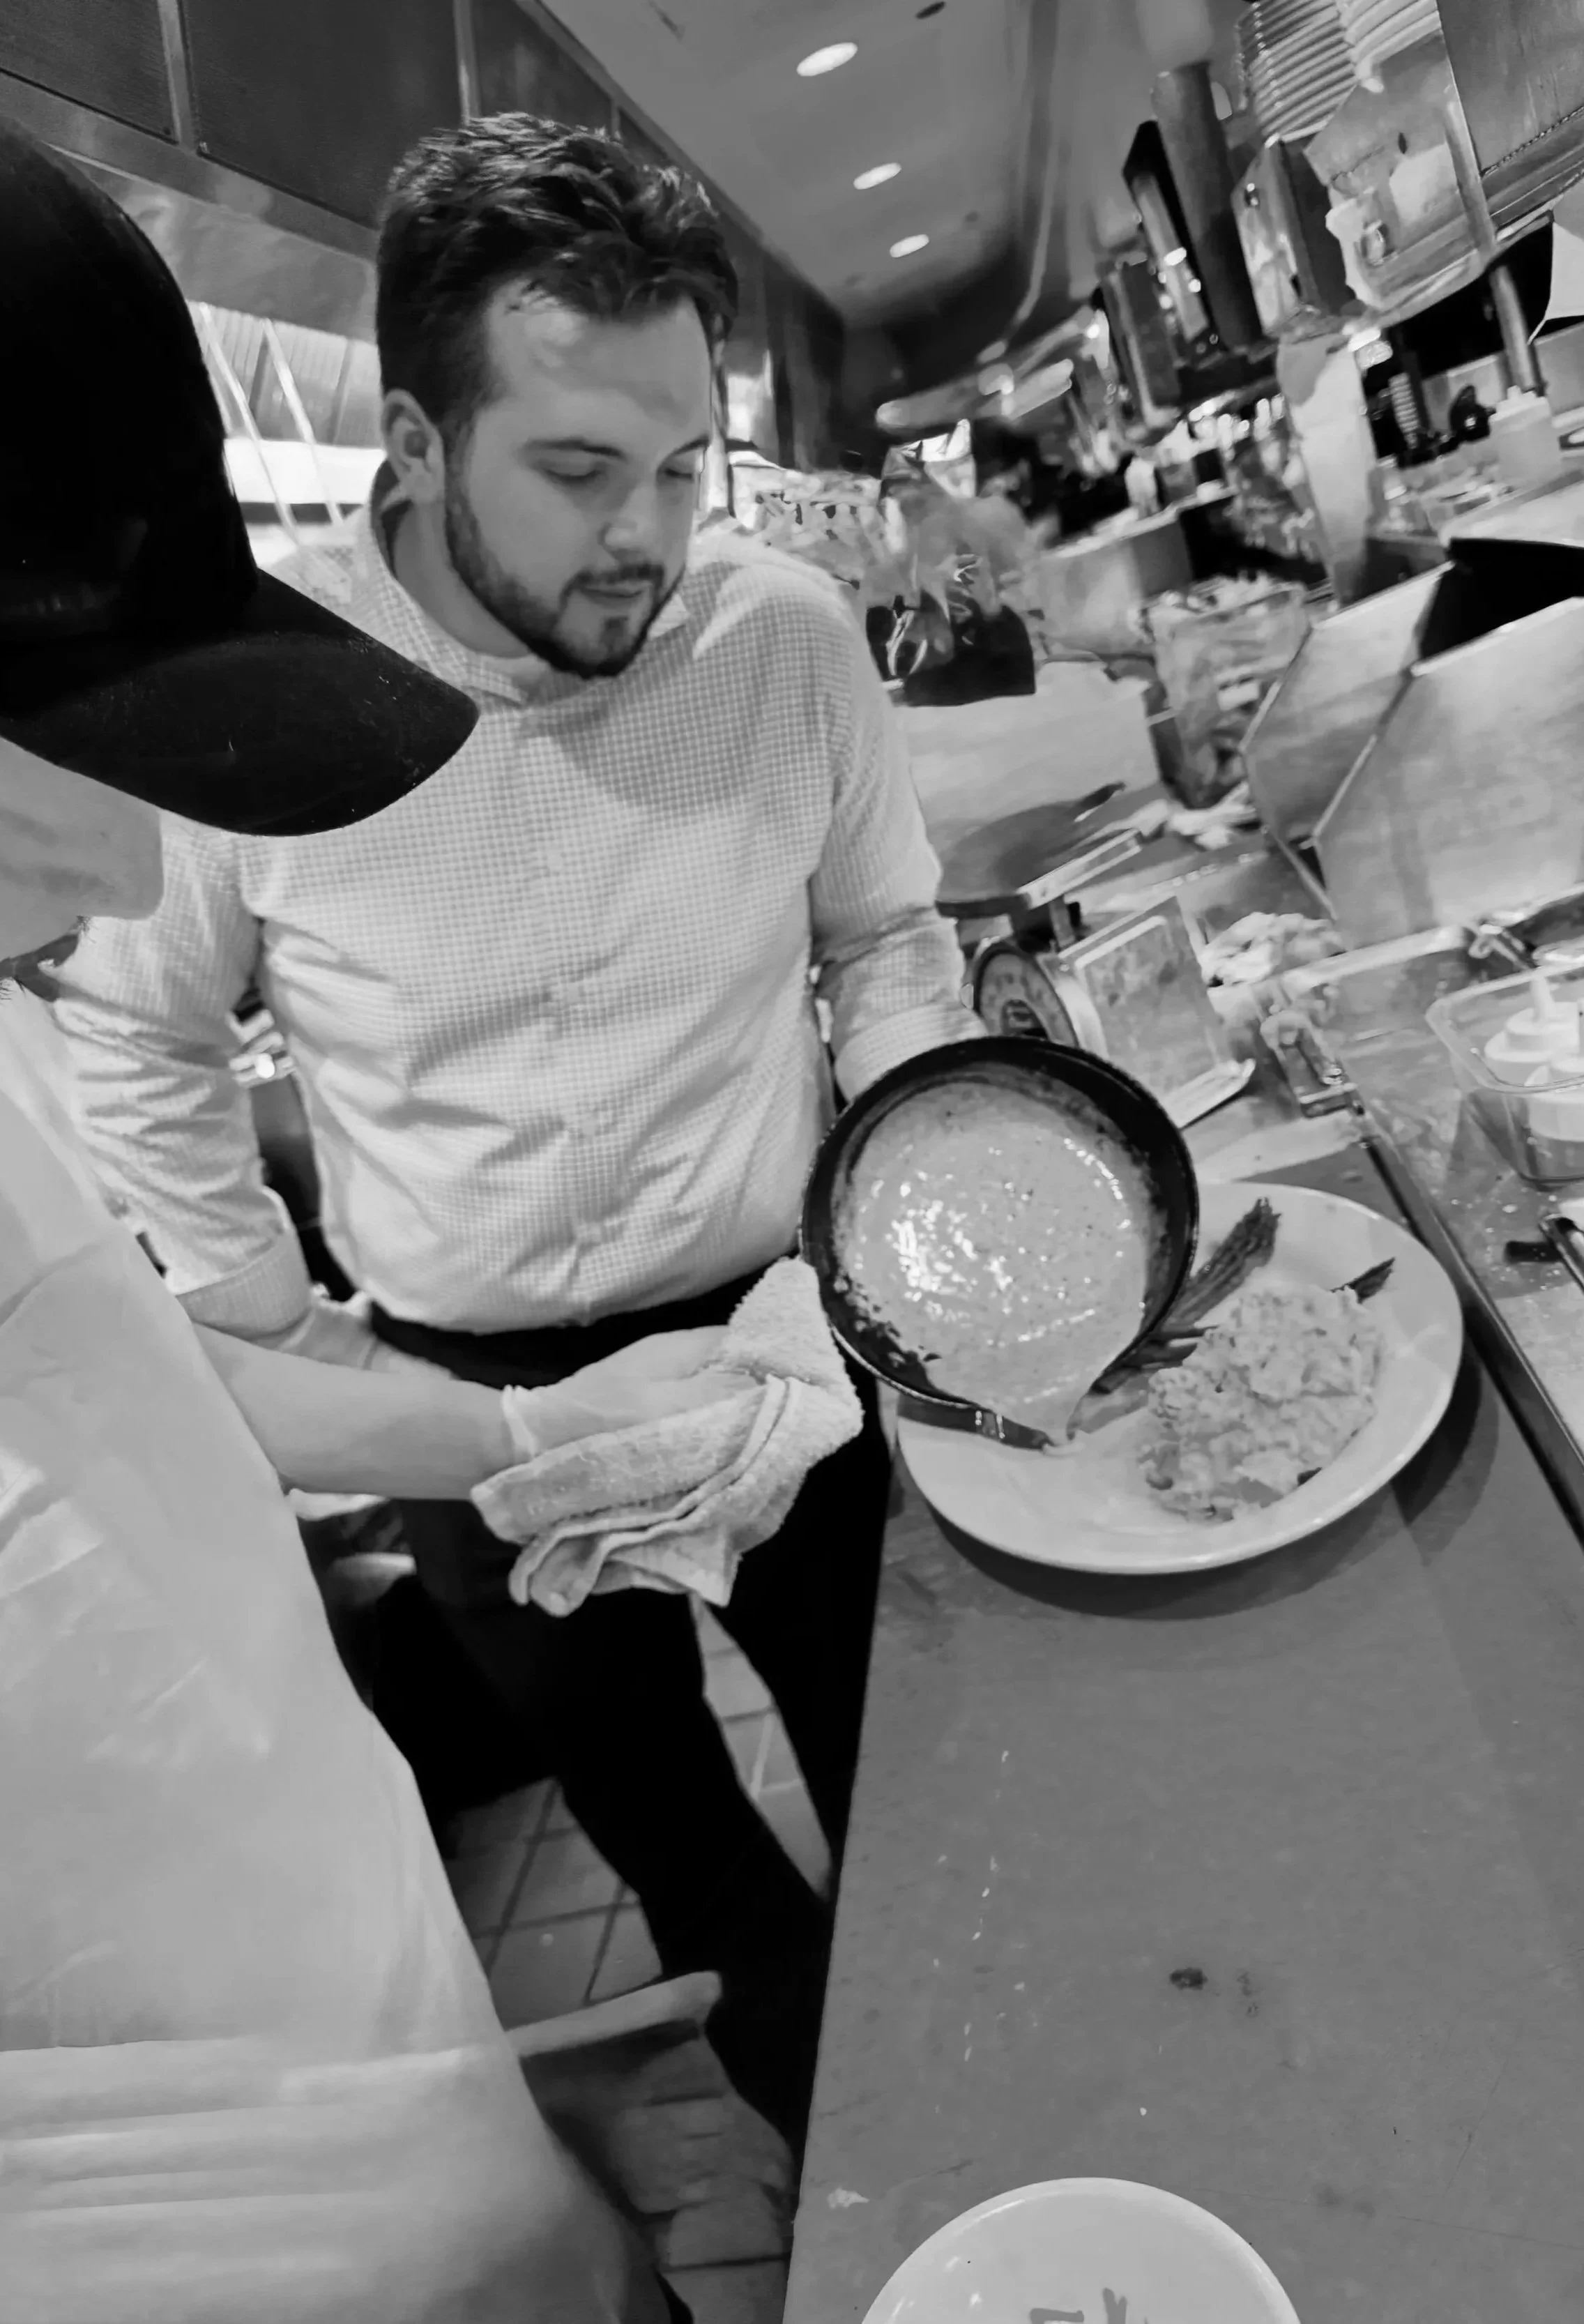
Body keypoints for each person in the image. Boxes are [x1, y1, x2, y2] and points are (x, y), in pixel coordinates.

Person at [54, 113, 981, 2148]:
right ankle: (871, 2184)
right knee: (685, 1847)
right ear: (411, 440)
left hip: (779, 1338)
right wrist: (274, 1327)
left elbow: (890, 940)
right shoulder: (257, 691)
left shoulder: (781, 645)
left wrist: (902, 1240)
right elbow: (137, 1033)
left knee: (911, 1764)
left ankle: (1003, 2117)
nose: (644, 535)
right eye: (575, 471)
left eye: (678, 466)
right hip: (469, 1405)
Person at [0, 116, 706, 2323]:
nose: (127, 881)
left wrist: (530, 1440)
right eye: (31, 758)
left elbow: (121, 1388)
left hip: (414, 2130)